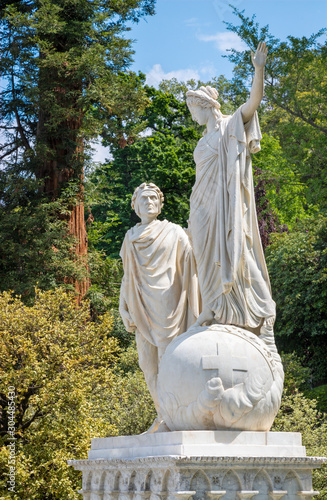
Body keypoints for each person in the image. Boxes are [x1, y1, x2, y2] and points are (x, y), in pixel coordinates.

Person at [186, 42, 276, 345]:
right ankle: (213, 307)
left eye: (193, 109)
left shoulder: (229, 125)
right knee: (204, 256)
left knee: (236, 251)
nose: (192, 115)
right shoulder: (201, 142)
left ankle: (264, 309)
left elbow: (254, 102)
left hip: (224, 204)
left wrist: (259, 68)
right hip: (200, 206)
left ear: (206, 106)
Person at [119, 182, 201, 431]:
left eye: (154, 198)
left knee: (169, 363)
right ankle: (162, 414)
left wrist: (201, 235)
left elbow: (192, 259)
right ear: (135, 205)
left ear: (161, 203)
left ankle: (172, 417)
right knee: (147, 365)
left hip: (168, 307)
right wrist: (122, 307)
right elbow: (127, 276)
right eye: (144, 199)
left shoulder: (174, 232)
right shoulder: (130, 236)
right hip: (139, 305)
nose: (149, 202)